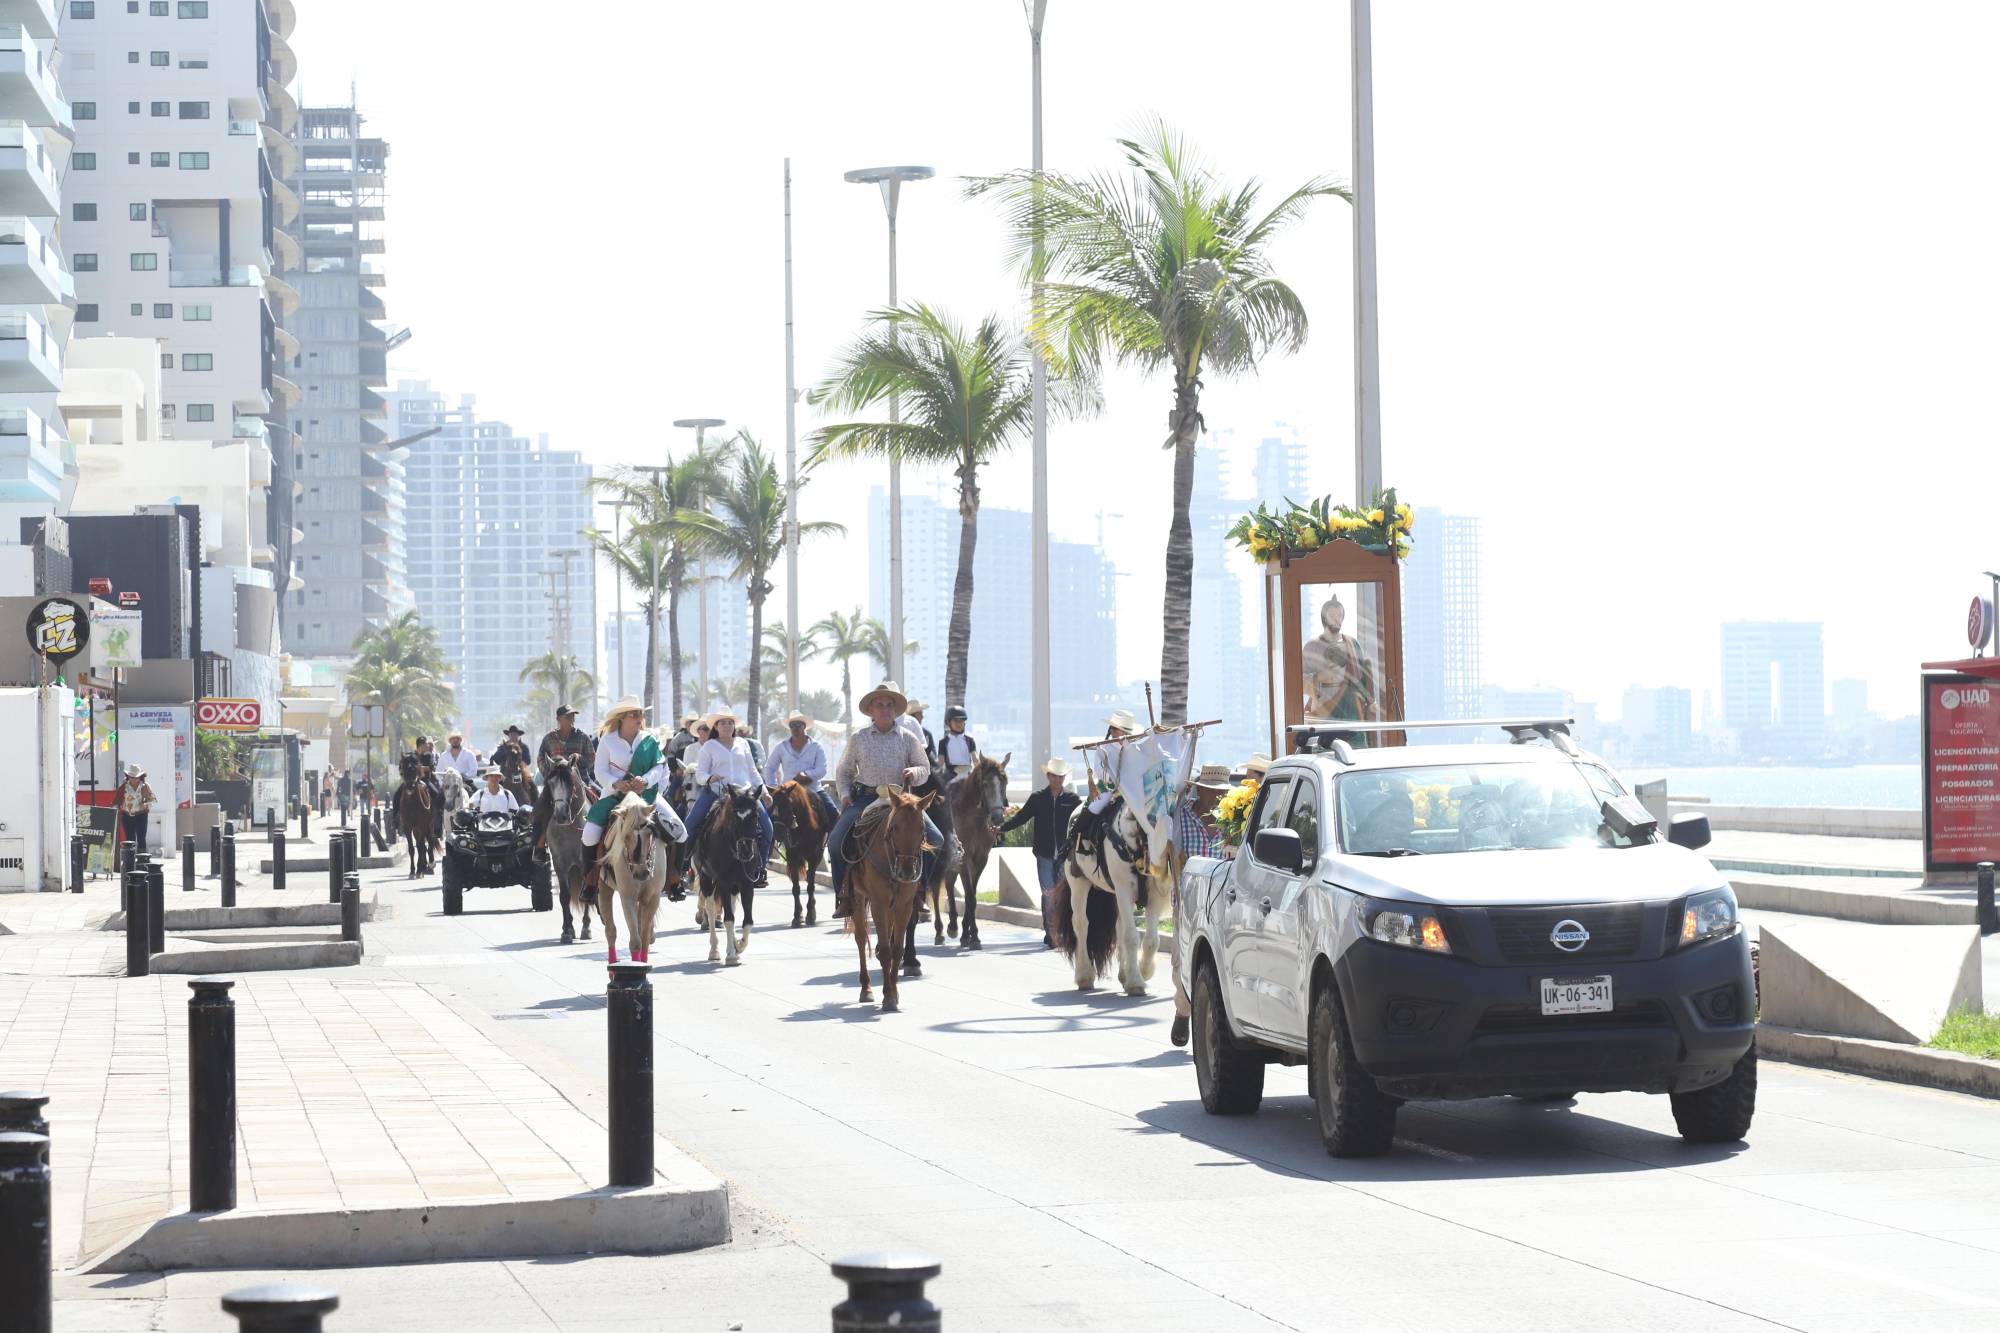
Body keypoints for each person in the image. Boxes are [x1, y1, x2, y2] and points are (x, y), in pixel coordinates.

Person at [827, 680, 940, 918]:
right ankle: (844, 895)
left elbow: (924, 768)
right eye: (880, 705)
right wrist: (845, 795)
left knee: (936, 839)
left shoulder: (908, 738)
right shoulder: (858, 738)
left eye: (889, 705)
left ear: (895, 710)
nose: (885, 709)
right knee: (836, 840)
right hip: (866, 798)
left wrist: (914, 772)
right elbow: (844, 770)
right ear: (871, 710)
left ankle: (919, 891)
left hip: (902, 801)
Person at [580, 697, 688, 892]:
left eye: (641, 713)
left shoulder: (650, 739)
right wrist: (616, 783)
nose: (639, 717)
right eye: (634, 714)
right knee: (589, 836)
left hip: (646, 796)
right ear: (622, 717)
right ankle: (590, 881)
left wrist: (644, 780)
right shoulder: (607, 740)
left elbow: (658, 767)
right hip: (614, 796)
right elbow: (600, 771)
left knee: (681, 832)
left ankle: (675, 879)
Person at [1167, 763, 1234, 1047]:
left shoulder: (1233, 820)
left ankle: (1210, 1022)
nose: (1216, 797)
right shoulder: (1180, 816)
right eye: (1211, 791)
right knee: (1181, 963)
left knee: (1219, 966)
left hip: (1220, 906)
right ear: (1200, 790)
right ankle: (1183, 1010)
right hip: (1187, 904)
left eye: (1221, 793)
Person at [999, 757, 1081, 949]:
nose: (1058, 780)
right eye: (1055, 776)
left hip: (1064, 855)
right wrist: (1001, 829)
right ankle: (1051, 933)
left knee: (1063, 896)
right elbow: (1021, 818)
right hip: (1044, 854)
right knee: (1048, 894)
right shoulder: (1037, 798)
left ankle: (1063, 931)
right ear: (1048, 776)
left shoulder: (1072, 800)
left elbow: (1081, 820)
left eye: (1061, 776)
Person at [687, 710, 773, 885]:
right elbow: (700, 773)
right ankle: (683, 866)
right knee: (689, 825)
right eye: (722, 722)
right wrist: (710, 778)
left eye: (730, 722)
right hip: (717, 791)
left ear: (734, 726)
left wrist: (764, 792)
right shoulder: (709, 746)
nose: (727, 725)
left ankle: (760, 867)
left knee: (768, 829)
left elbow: (752, 771)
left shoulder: (743, 744)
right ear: (716, 726)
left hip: (746, 795)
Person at [1066, 708, 1141, 858]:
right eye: (1111, 728)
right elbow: (1099, 770)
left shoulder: (1134, 748)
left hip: (1131, 790)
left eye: (1115, 728)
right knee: (1095, 807)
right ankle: (1076, 837)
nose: (1112, 731)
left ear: (1124, 731)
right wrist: (1115, 783)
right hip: (1109, 789)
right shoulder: (1103, 747)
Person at [765, 711, 838, 831]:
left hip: (813, 789)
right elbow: (769, 768)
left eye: (798, 725)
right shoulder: (781, 747)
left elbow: (822, 769)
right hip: (787, 792)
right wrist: (774, 788)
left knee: (833, 813)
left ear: (804, 726)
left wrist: (806, 775)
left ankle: (831, 841)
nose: (795, 728)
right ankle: (768, 841)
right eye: (792, 725)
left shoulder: (816, 746)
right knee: (767, 817)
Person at [537, 704, 596, 779]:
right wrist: (550, 775)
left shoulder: (583, 737)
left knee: (598, 787)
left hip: (581, 779)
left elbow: (592, 758)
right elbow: (541, 759)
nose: (571, 719)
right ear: (558, 719)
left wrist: (579, 758)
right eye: (568, 716)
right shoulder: (549, 739)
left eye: (573, 716)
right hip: (556, 781)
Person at [117, 763, 155, 856]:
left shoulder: (145, 786)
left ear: (140, 777)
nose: (134, 779)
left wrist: (145, 805)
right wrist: (120, 805)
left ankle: (142, 861)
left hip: (141, 815)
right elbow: (117, 800)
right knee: (130, 840)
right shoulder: (123, 786)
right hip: (126, 816)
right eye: (132, 777)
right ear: (128, 777)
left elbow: (152, 801)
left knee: (141, 838)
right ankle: (130, 861)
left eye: (136, 777)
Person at [937, 705, 979, 783]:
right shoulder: (943, 742)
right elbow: (940, 762)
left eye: (961, 721)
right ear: (948, 722)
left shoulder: (970, 740)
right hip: (950, 776)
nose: (959, 724)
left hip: (967, 774)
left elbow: (975, 759)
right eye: (956, 721)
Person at [493, 725, 535, 800]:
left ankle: (532, 800)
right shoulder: (503, 747)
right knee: (494, 785)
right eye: (511, 734)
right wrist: (505, 752)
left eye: (515, 734)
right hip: (504, 773)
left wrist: (520, 762)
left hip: (519, 771)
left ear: (518, 735)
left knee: (531, 786)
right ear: (508, 735)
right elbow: (496, 758)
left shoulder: (523, 746)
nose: (513, 736)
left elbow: (528, 760)